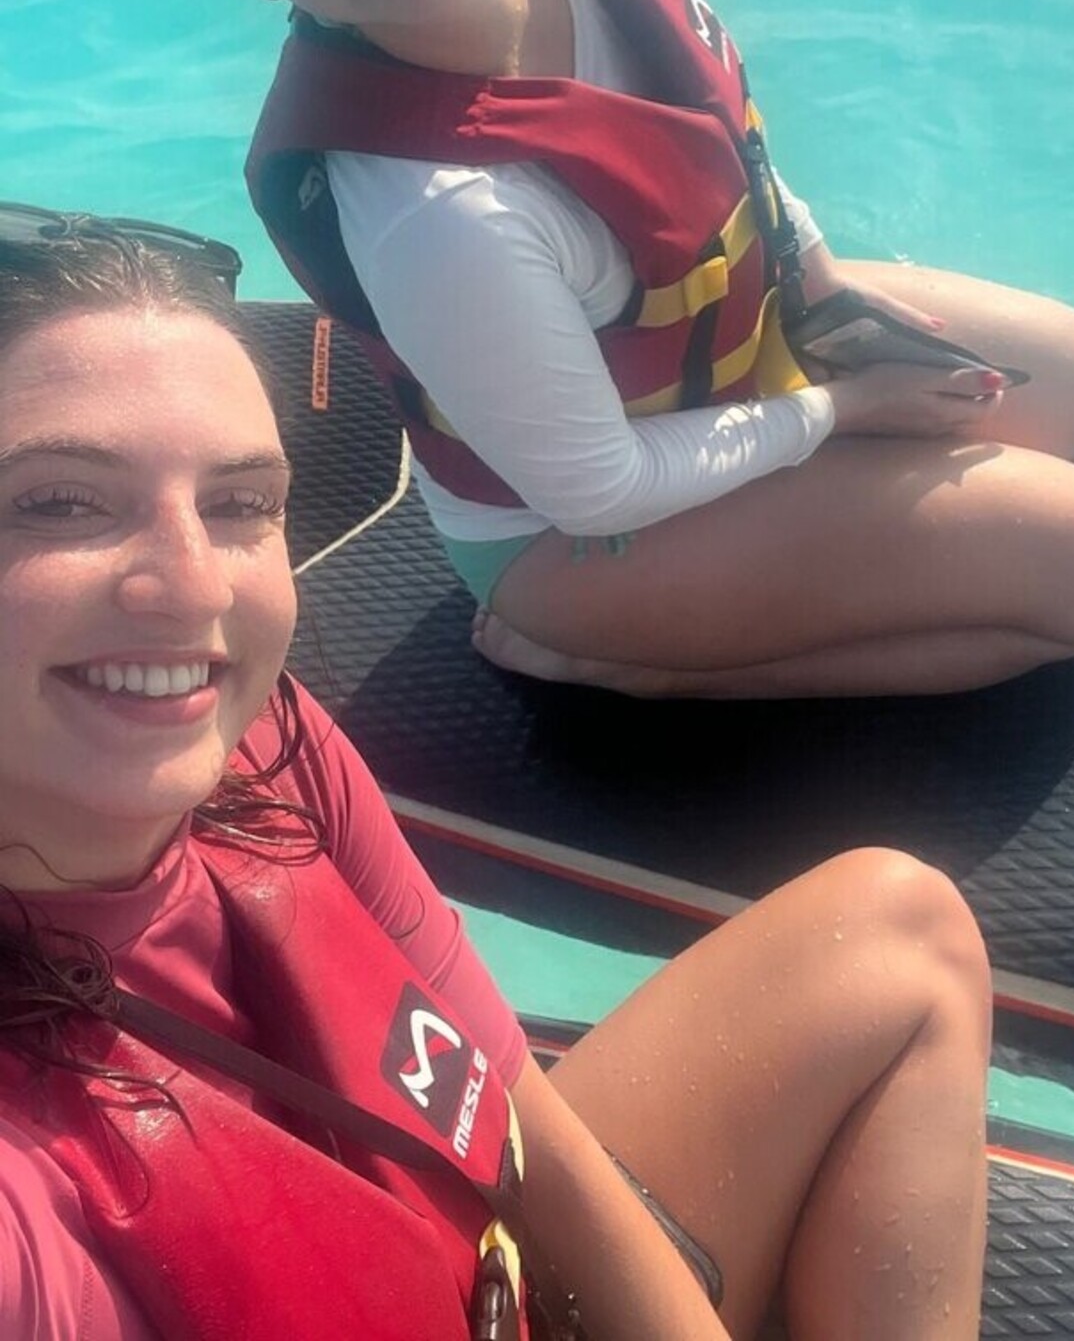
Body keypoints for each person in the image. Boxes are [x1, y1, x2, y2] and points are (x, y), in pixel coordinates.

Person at [0, 226, 990, 1338]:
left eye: (239, 504)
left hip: (481, 1270)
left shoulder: (269, 746)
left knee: (900, 929)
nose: (193, 589)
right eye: (61, 503)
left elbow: (513, 1102)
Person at [129, 0, 1074, 700]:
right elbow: (601, 486)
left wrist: (818, 285)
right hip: (580, 535)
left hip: (739, 343)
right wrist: (845, 408)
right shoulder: (436, 214)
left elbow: (704, 118)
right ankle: (640, 665)